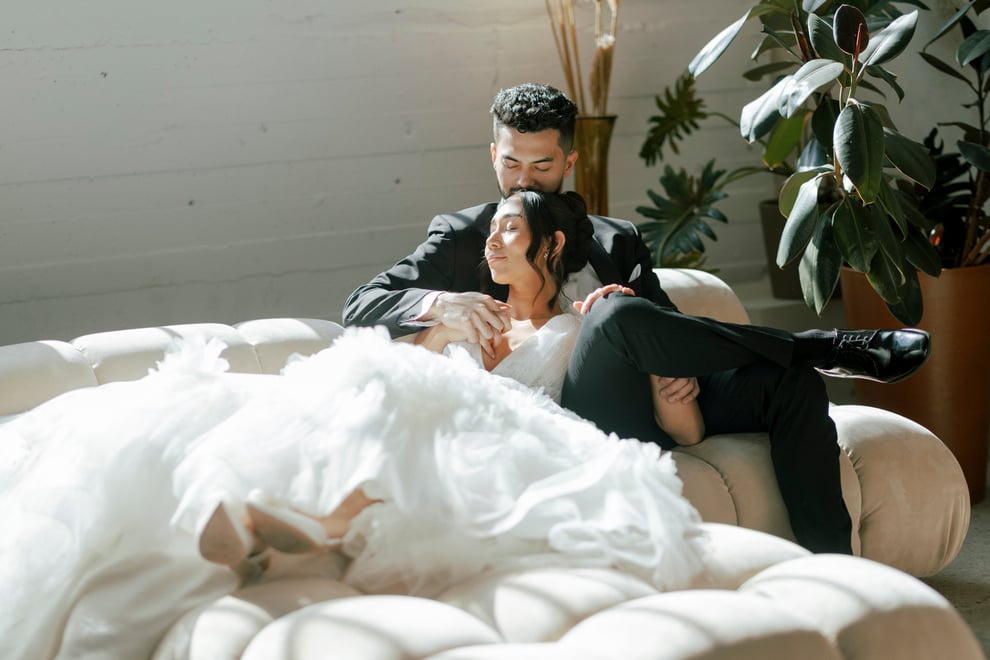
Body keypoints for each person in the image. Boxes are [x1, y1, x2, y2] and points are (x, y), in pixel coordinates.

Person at [0, 193, 707, 658]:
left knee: (416, 407)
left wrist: (664, 380)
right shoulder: (468, 306)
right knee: (375, 384)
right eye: (490, 228)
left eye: (509, 230)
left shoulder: (580, 326)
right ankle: (294, 516)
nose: (491, 240)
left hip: (502, 427)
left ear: (549, 247)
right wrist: (443, 325)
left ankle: (313, 524)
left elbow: (670, 421)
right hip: (435, 406)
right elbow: (403, 357)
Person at [342, 82, 932, 556]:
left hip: (652, 401)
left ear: (569, 161)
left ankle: (836, 571)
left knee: (789, 382)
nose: (524, 180)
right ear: (494, 155)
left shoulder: (615, 239)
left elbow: (671, 334)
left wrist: (672, 371)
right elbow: (360, 304)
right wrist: (439, 304)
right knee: (614, 313)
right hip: (570, 418)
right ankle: (823, 346)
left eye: (542, 165)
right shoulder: (465, 236)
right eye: (512, 162)